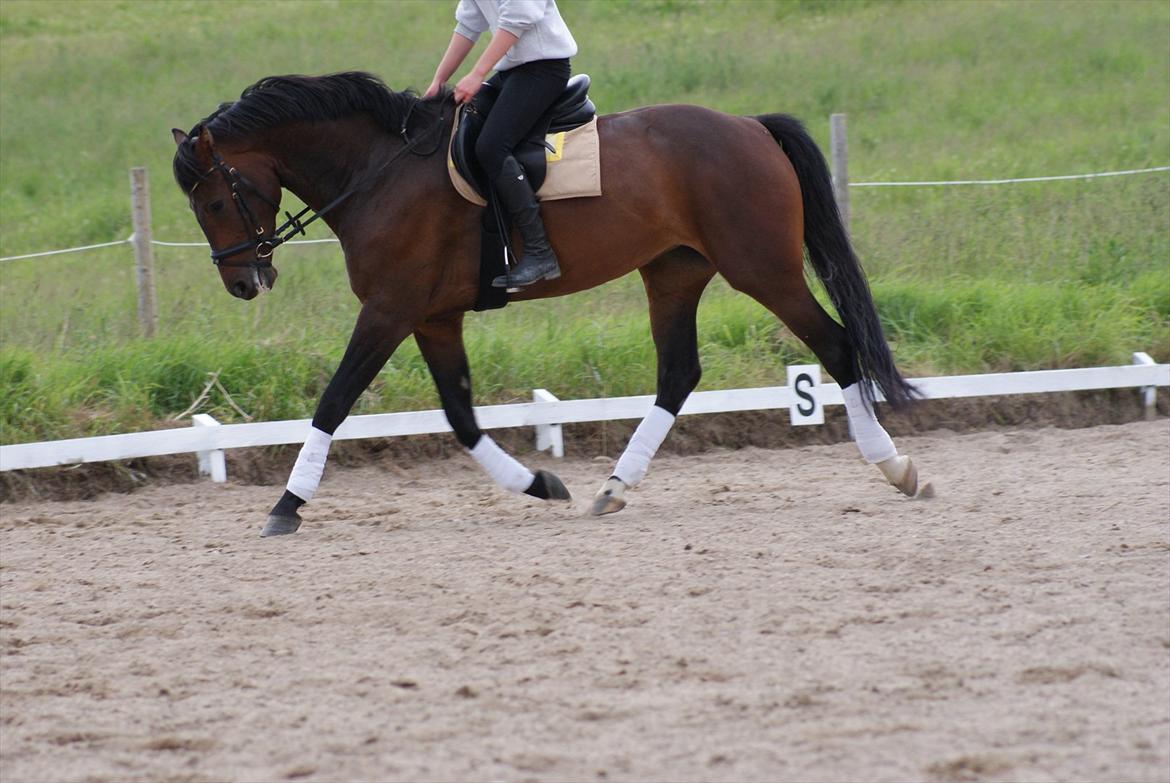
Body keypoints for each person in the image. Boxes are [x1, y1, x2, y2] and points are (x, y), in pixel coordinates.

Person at [424, 0, 577, 290]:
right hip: (513, 73)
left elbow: (518, 19)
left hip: (543, 71)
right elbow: (468, 26)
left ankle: (539, 251)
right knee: (457, 125)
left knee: (491, 147)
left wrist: (477, 74)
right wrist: (438, 81)